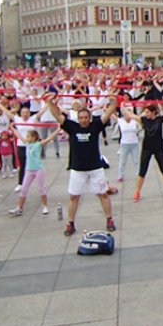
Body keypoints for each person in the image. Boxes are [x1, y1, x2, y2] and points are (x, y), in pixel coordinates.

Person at [46, 94, 118, 236]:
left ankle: (109, 219)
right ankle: (70, 223)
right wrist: (49, 102)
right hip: (77, 169)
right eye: (81, 118)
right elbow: (56, 115)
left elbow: (109, 112)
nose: (84, 120)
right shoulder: (71, 127)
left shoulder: (95, 126)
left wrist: (113, 101)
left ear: (89, 118)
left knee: (103, 194)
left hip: (95, 168)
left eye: (86, 117)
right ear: (78, 119)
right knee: (73, 197)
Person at [121, 102, 163, 202]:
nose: (146, 114)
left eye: (148, 112)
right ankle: (137, 192)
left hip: (158, 149)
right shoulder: (143, 120)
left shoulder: (160, 119)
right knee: (142, 171)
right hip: (147, 149)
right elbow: (131, 115)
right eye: (145, 112)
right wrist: (122, 106)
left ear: (154, 112)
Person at [8, 126, 61, 215]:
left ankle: (45, 206)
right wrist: (13, 129)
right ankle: (19, 208)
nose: (26, 138)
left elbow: (49, 138)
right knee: (24, 188)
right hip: (29, 169)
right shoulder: (27, 144)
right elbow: (19, 136)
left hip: (38, 169)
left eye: (28, 136)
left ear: (33, 137)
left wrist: (58, 129)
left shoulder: (38, 144)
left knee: (41, 188)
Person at [115, 103, 140, 183]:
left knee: (136, 160)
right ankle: (120, 175)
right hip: (124, 144)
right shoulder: (120, 121)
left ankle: (138, 174)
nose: (127, 116)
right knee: (122, 161)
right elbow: (111, 114)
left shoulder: (134, 121)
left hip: (134, 143)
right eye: (126, 114)